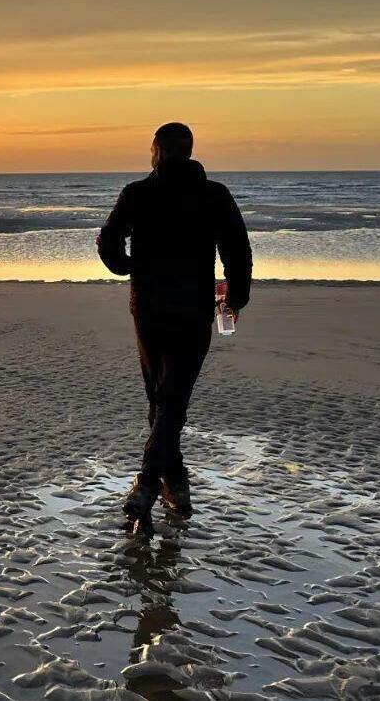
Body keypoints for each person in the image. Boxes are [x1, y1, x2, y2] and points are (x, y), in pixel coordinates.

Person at [97, 122, 252, 534]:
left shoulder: (139, 194)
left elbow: (107, 242)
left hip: (148, 305)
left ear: (156, 151)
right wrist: (234, 299)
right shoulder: (212, 194)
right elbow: (237, 249)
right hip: (192, 306)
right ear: (189, 151)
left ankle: (165, 483)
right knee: (171, 397)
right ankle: (158, 483)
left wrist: (128, 267)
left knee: (163, 396)